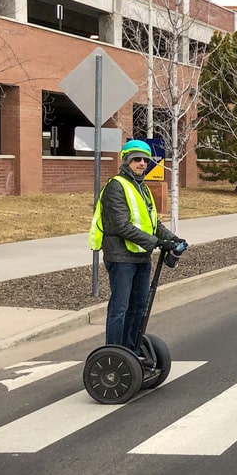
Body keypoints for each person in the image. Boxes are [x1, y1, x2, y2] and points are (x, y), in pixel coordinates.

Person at [88, 139, 184, 349]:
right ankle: (114, 353)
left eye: (145, 160)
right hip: (121, 258)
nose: (142, 163)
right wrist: (158, 242)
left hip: (141, 256)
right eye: (137, 160)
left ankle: (130, 350)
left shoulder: (143, 188)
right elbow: (122, 226)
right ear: (126, 161)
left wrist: (172, 238)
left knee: (139, 307)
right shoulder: (116, 187)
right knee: (120, 307)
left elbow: (153, 222)